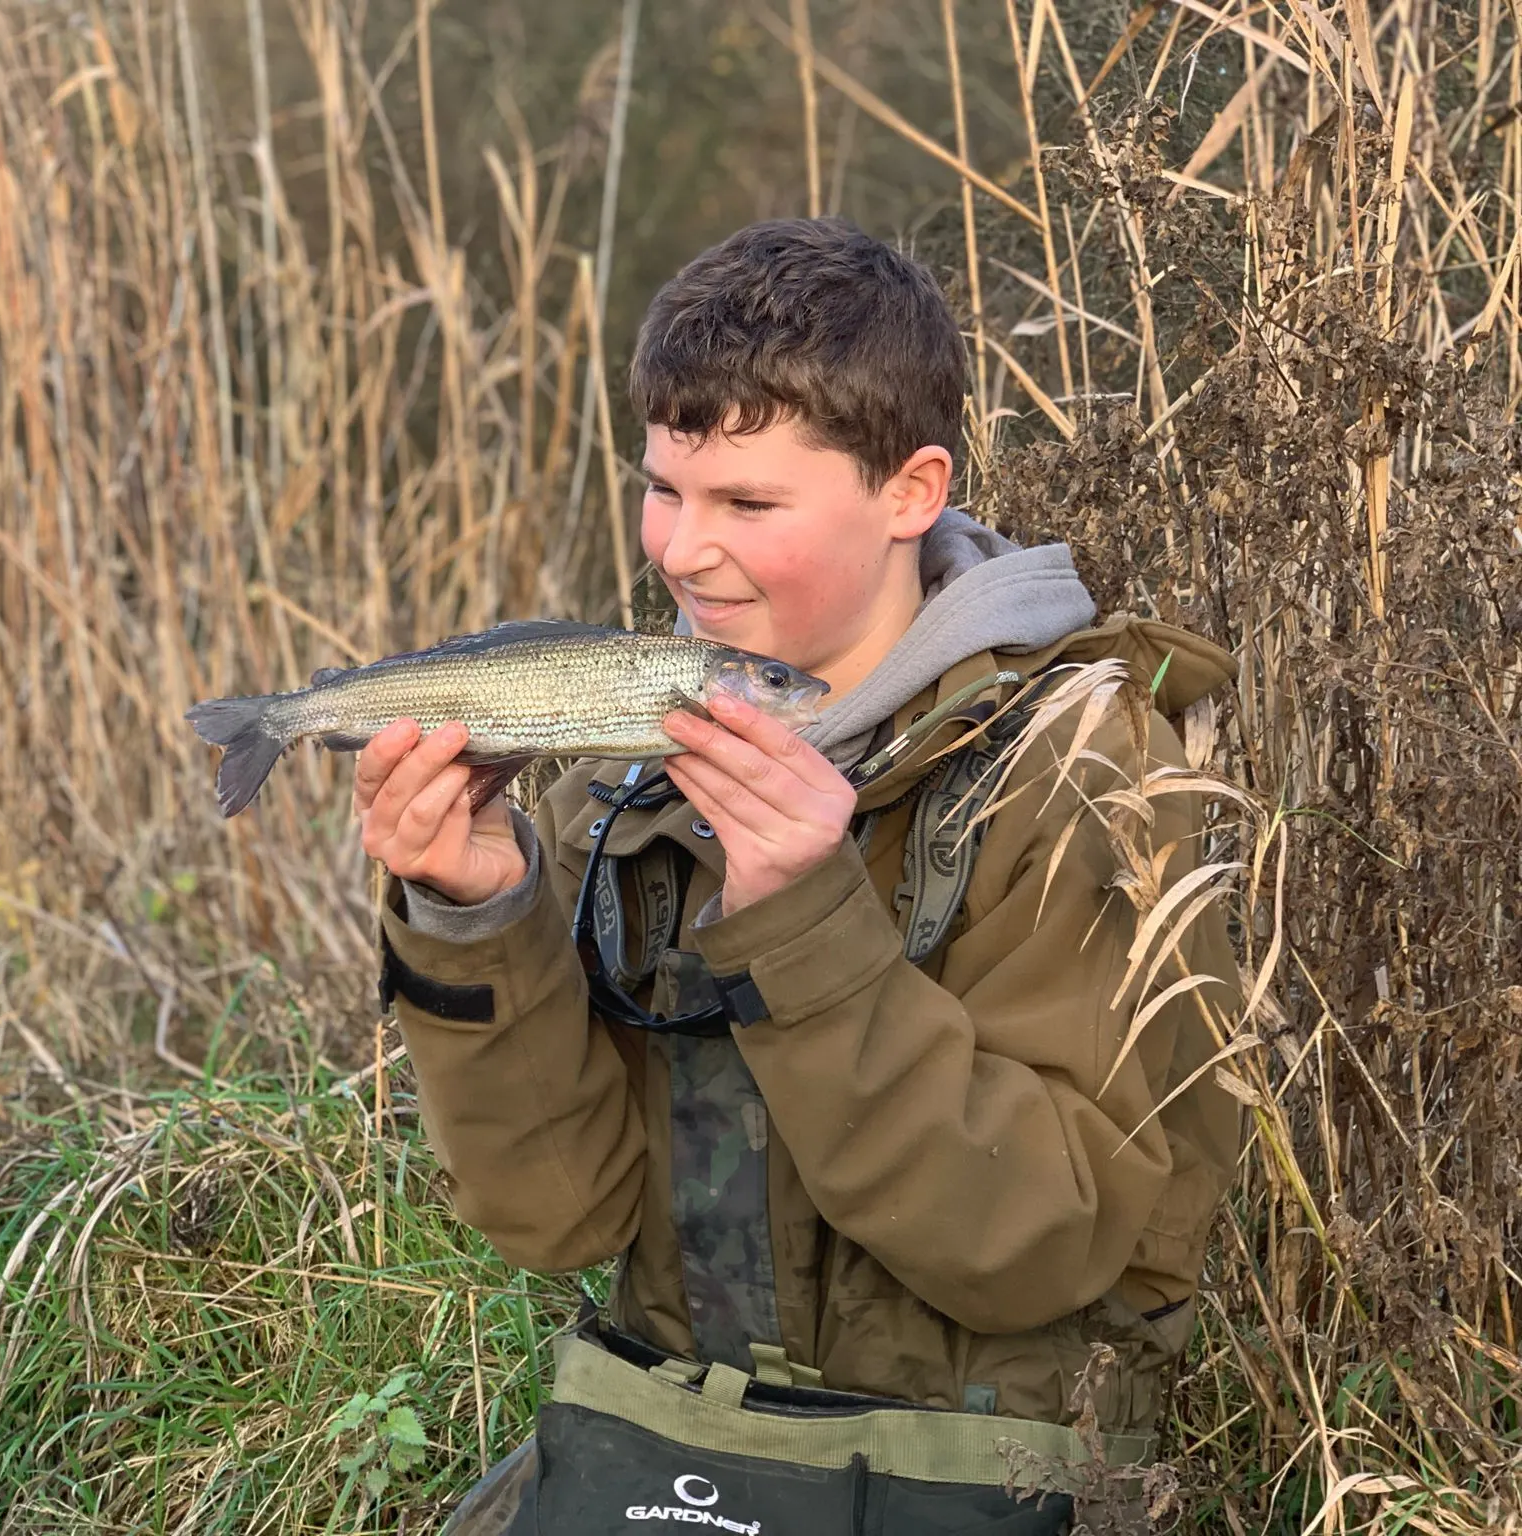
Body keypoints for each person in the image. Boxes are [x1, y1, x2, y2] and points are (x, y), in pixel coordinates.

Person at [357, 218, 1241, 1536]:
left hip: (980, 1472)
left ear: (911, 490)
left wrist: (807, 920)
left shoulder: (1086, 769)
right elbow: (562, 1216)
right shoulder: (625, 776)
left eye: (748, 504)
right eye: (664, 488)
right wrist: (475, 914)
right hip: (669, 1445)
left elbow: (1044, 1243)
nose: (679, 551)